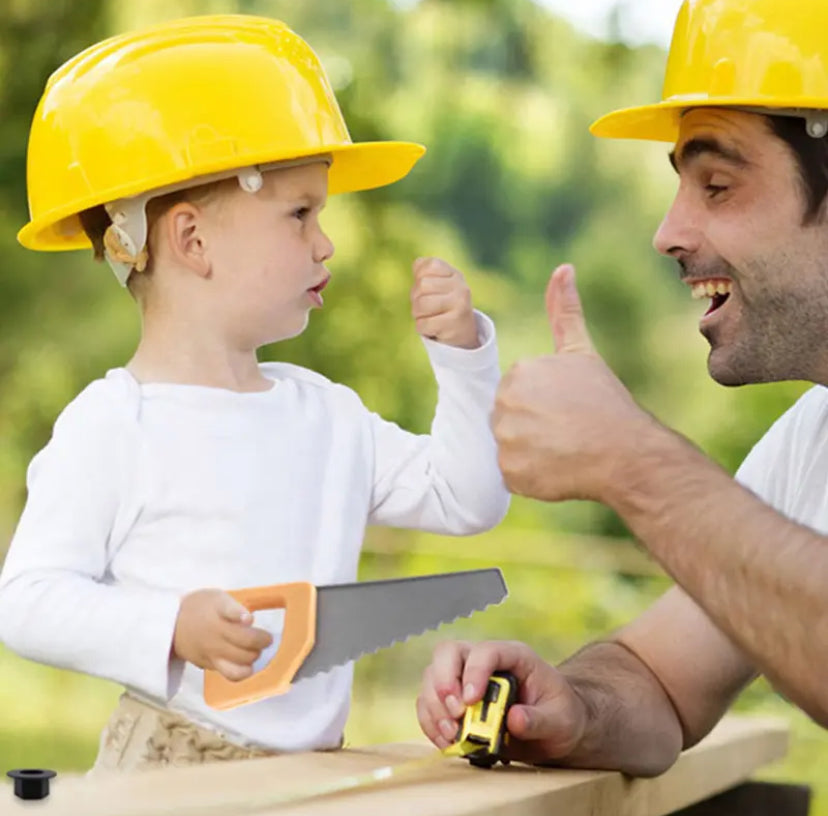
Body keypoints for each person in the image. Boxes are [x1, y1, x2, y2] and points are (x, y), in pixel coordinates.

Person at [0, 15, 509, 772]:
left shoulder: (329, 416)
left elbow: (468, 500)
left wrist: (462, 358)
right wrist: (170, 626)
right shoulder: (114, 424)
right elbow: (27, 600)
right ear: (193, 241)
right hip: (169, 770)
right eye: (300, 214)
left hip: (305, 773)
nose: (325, 242)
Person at [417, 0, 828, 777]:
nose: (668, 232)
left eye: (717, 184)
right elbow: (663, 682)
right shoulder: (813, 437)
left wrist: (633, 462)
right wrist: (572, 707)